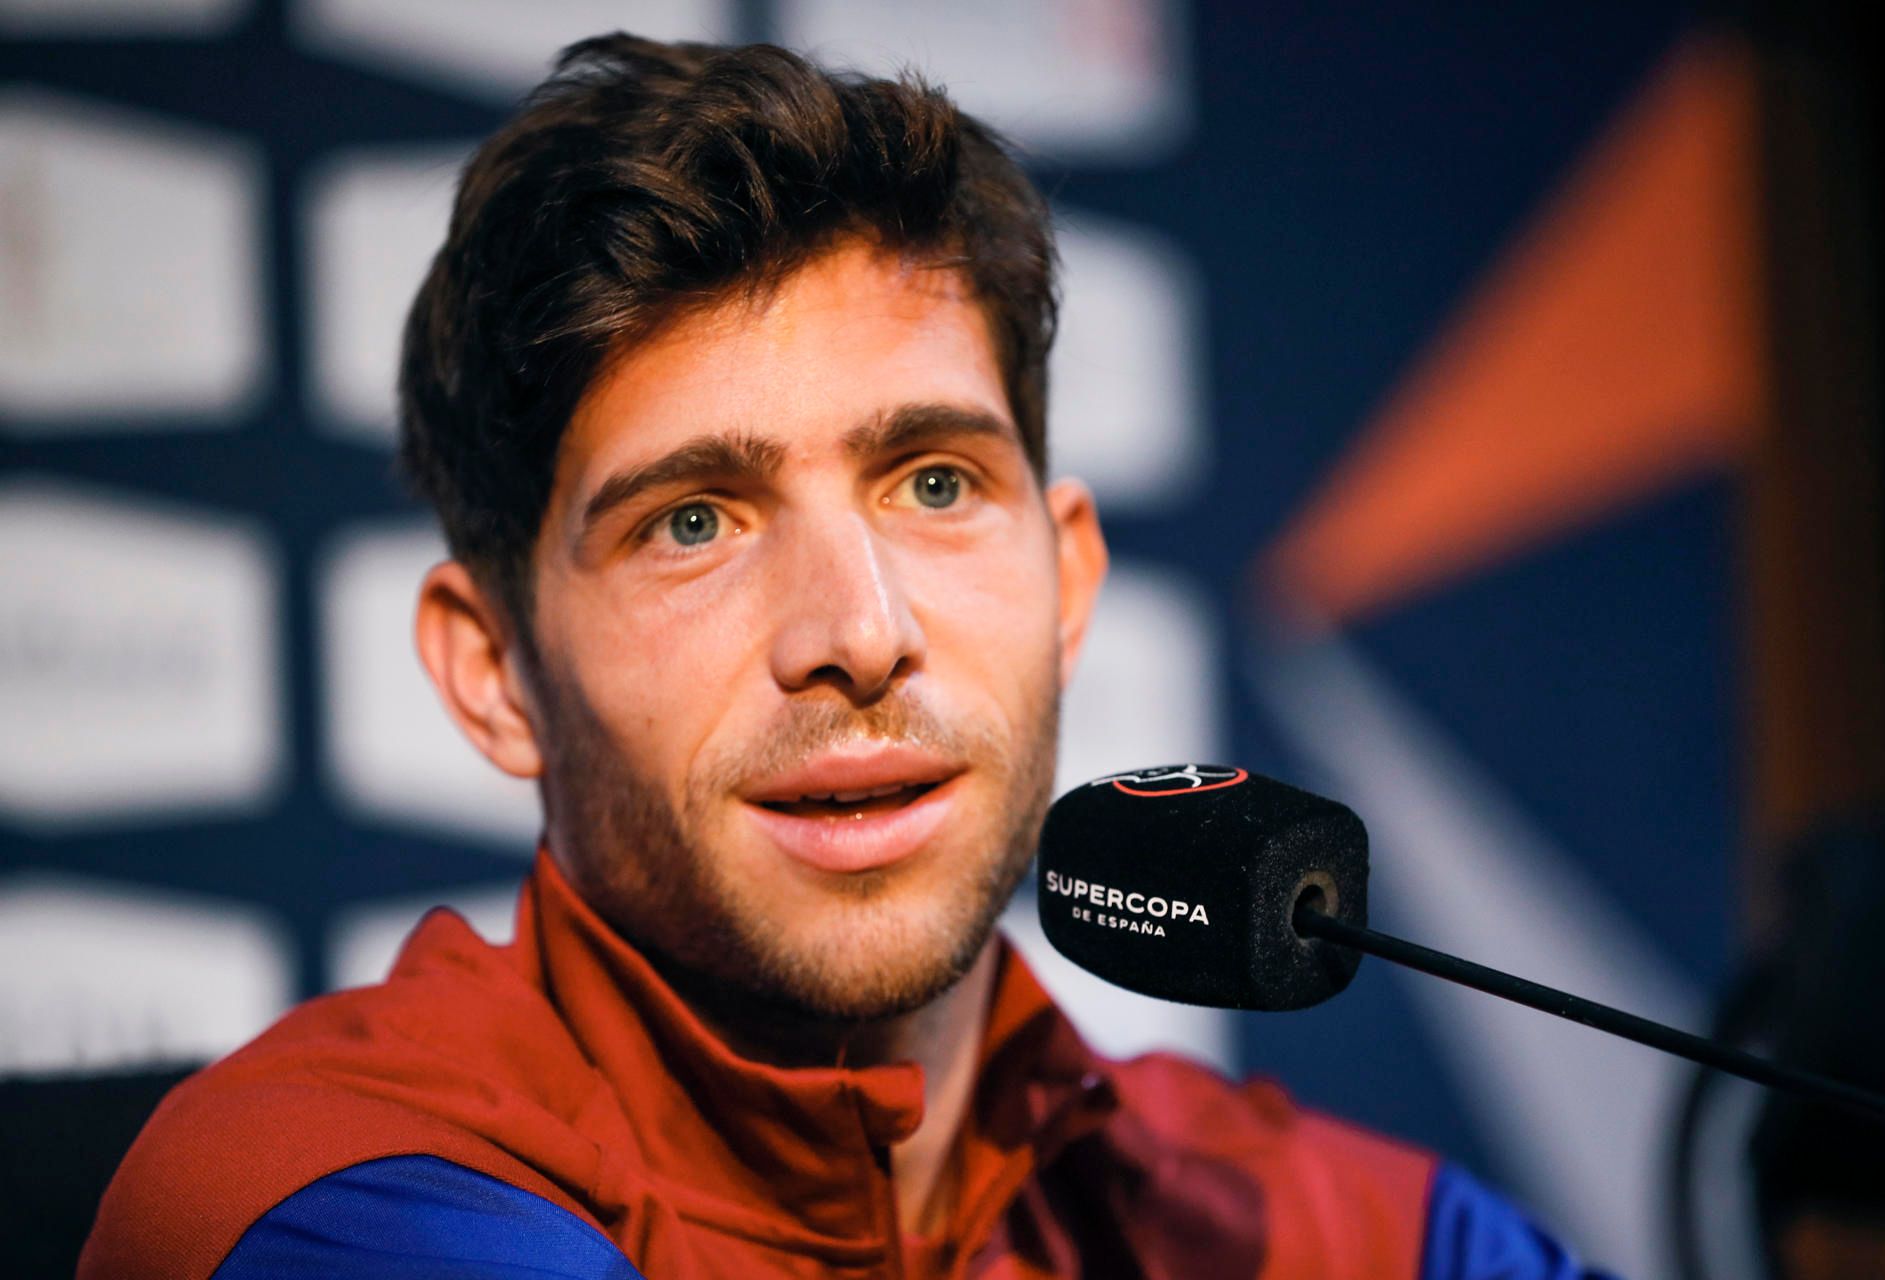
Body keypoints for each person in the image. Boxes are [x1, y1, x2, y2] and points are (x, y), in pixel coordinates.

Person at [82, 34, 1612, 1279]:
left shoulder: (1332, 1232)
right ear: (492, 672)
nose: (860, 634)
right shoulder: (324, 1190)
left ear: (1068, 575)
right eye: (694, 521)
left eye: (936, 485)